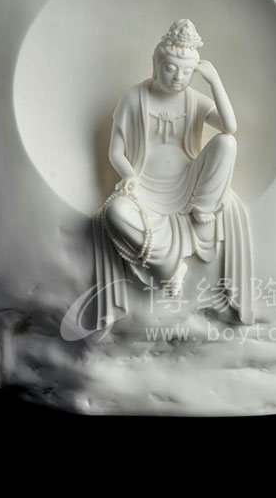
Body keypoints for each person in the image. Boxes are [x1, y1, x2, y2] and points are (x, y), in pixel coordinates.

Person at [92, 19, 254, 330]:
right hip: (145, 186)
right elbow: (116, 152)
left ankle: (203, 207)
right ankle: (169, 268)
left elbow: (230, 127)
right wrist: (128, 175)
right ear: (156, 64)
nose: (178, 77)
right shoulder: (134, 98)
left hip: (188, 181)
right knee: (114, 213)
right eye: (170, 68)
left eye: (186, 71)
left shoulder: (193, 99)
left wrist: (215, 83)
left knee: (227, 143)